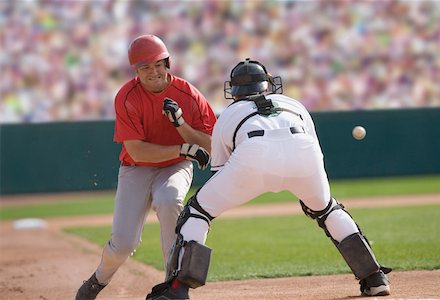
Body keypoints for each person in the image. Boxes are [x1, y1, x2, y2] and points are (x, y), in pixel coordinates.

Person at [146, 58, 391, 299]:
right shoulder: (293, 104)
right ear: (269, 84)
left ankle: (178, 288)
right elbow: (313, 150)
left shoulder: (230, 114)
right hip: (304, 154)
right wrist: (311, 195)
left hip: (254, 153)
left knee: (197, 213)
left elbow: (219, 173)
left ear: (234, 90)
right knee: (328, 210)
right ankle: (374, 277)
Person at [75, 34, 217, 300]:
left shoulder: (188, 93)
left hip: (175, 166)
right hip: (136, 167)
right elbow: (136, 150)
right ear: (136, 71)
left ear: (167, 63)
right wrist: (183, 148)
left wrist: (181, 126)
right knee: (123, 244)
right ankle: (97, 280)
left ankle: (173, 287)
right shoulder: (127, 96)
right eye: (145, 67)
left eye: (157, 64)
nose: (153, 71)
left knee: (170, 200)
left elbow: (210, 143)